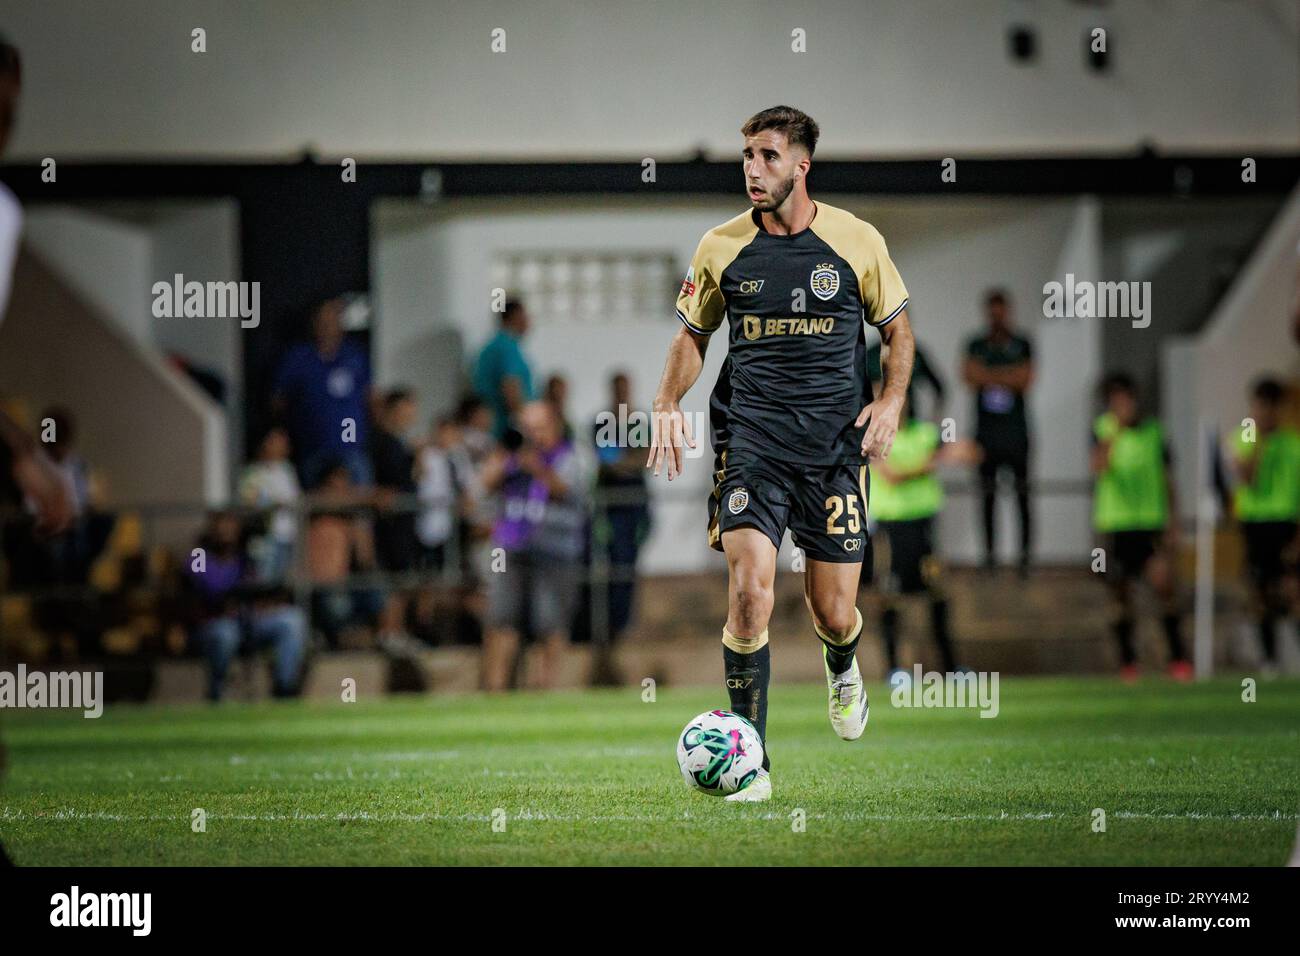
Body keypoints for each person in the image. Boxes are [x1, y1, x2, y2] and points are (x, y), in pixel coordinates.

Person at [647, 105, 915, 802]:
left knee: (832, 611)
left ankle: (844, 661)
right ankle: (752, 764)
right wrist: (666, 403)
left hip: (832, 453)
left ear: (801, 165)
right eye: (746, 156)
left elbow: (899, 332)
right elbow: (692, 337)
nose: (752, 170)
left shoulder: (856, 241)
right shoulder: (721, 246)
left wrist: (889, 402)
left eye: (767, 156)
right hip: (753, 445)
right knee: (749, 594)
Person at [480, 400, 589, 691]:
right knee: (501, 618)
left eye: (537, 429)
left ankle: (544, 689)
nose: (531, 436)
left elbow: (567, 490)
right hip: (511, 545)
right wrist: (505, 458)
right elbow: (485, 484)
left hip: (555, 548)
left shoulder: (571, 455)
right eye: (525, 429)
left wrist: (536, 465)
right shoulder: (510, 454)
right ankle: (495, 689)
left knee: (549, 622)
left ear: (553, 426)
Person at [1090, 373, 1191, 681]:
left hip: (1150, 525)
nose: (1122, 405)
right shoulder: (1102, 430)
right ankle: (1128, 663)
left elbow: (1168, 480)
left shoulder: (1155, 433)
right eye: (1115, 400)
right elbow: (1099, 467)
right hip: (1115, 525)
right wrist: (1115, 432)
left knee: (1164, 587)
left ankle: (1178, 659)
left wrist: (1174, 522)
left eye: (1126, 398)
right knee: (1119, 596)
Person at [869, 395, 977, 680]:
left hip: (925, 528)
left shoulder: (925, 433)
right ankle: (894, 669)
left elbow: (969, 451)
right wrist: (935, 460)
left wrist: (951, 451)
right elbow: (891, 475)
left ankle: (952, 668)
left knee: (938, 594)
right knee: (890, 597)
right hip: (891, 530)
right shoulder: (876, 434)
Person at [184, 511, 307, 701]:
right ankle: (217, 693)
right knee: (225, 634)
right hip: (212, 624)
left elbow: (264, 586)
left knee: (291, 620)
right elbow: (207, 588)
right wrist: (239, 593)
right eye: (221, 527)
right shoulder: (198, 555)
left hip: (247, 622)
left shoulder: (246, 555)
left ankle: (284, 689)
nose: (226, 532)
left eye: (231, 527)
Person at [1230, 378, 1300, 673]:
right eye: (1261, 404)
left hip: (1286, 525)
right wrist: (1257, 440)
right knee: (1260, 594)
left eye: (1272, 405)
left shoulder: (1293, 443)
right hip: (1255, 525)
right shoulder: (1244, 438)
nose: (1266, 411)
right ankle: (1269, 662)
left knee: (1293, 591)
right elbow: (1247, 478)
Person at [963, 289, 1034, 575]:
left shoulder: (1022, 343)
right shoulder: (975, 344)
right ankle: (989, 558)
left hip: (1017, 433)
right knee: (987, 498)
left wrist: (991, 376)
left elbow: (1025, 379)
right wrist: (1006, 376)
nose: (997, 316)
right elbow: (970, 375)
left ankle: (1024, 559)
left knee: (1022, 497)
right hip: (986, 434)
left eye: (1001, 310)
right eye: (992, 311)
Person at [272, 298, 374, 489]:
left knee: (357, 507)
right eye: (323, 320)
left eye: (333, 319)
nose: (328, 326)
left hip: (350, 445)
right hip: (312, 448)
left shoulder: (354, 356)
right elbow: (278, 400)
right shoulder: (298, 357)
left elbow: (369, 396)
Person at [237, 426, 302, 584]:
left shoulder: (288, 470)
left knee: (284, 584)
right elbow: (249, 503)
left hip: (288, 536)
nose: (281, 445)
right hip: (265, 539)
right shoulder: (252, 472)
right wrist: (272, 505)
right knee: (264, 582)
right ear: (264, 444)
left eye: (283, 442)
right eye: (275, 441)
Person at [472, 298, 534, 442]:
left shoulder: (492, 346)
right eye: (525, 316)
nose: (529, 322)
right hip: (503, 430)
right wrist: (528, 427)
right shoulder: (506, 348)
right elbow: (510, 388)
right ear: (515, 316)